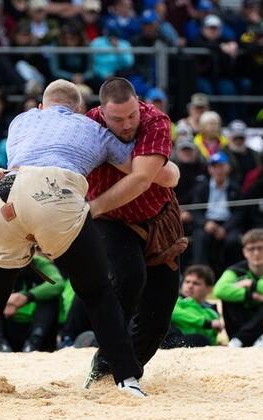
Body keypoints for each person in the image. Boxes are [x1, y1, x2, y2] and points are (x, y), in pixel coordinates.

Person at [0, 80, 176, 408]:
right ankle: (126, 379)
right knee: (98, 294)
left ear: (41, 107)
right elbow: (150, 173)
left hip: (5, 198)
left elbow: (12, 167)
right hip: (56, 196)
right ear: (80, 110)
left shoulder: (21, 121)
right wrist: (170, 173)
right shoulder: (91, 128)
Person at [78, 77, 185, 389]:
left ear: (139, 105)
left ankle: (123, 373)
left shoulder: (155, 119)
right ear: (102, 111)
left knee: (159, 312)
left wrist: (93, 207)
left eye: (131, 116)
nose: (126, 125)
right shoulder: (87, 125)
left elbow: (141, 179)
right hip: (111, 221)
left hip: (156, 217)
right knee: (128, 279)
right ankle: (107, 368)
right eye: (117, 119)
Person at [0, 255, 64, 353]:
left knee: (50, 299)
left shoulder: (39, 263)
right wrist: (4, 301)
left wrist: (27, 297)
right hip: (8, 325)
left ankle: (33, 343)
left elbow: (57, 283)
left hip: (38, 327)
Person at [214, 229, 263, 348]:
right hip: (239, 323)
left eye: (261, 248)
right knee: (228, 299)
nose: (256, 253)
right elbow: (219, 290)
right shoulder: (235, 270)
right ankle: (241, 339)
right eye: (251, 249)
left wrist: (252, 284)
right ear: (244, 252)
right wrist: (253, 296)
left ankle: (240, 339)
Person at [189, 152, 242, 276]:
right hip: (207, 223)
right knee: (200, 238)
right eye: (214, 166)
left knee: (233, 241)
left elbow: (240, 213)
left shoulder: (235, 187)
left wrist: (225, 228)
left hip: (228, 224)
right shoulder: (201, 187)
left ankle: (232, 275)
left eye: (221, 166)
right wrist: (205, 223)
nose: (218, 170)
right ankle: (200, 276)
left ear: (228, 167)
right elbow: (196, 211)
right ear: (209, 169)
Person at [161, 265, 222, 349]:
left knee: (201, 339)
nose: (190, 286)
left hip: (192, 341)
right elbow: (172, 312)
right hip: (171, 337)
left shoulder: (211, 312)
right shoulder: (175, 300)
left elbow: (210, 338)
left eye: (196, 283)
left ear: (209, 289)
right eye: (187, 282)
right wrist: (205, 323)